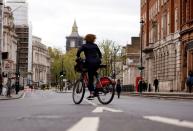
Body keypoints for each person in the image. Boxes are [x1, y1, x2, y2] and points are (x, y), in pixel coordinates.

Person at [76, 34, 102, 99]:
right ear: (93, 39)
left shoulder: (84, 46)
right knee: (94, 72)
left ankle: (92, 93)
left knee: (90, 79)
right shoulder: (95, 45)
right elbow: (100, 54)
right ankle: (97, 80)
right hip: (97, 62)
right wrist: (98, 59)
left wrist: (78, 56)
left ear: (86, 39)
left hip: (90, 63)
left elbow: (79, 51)